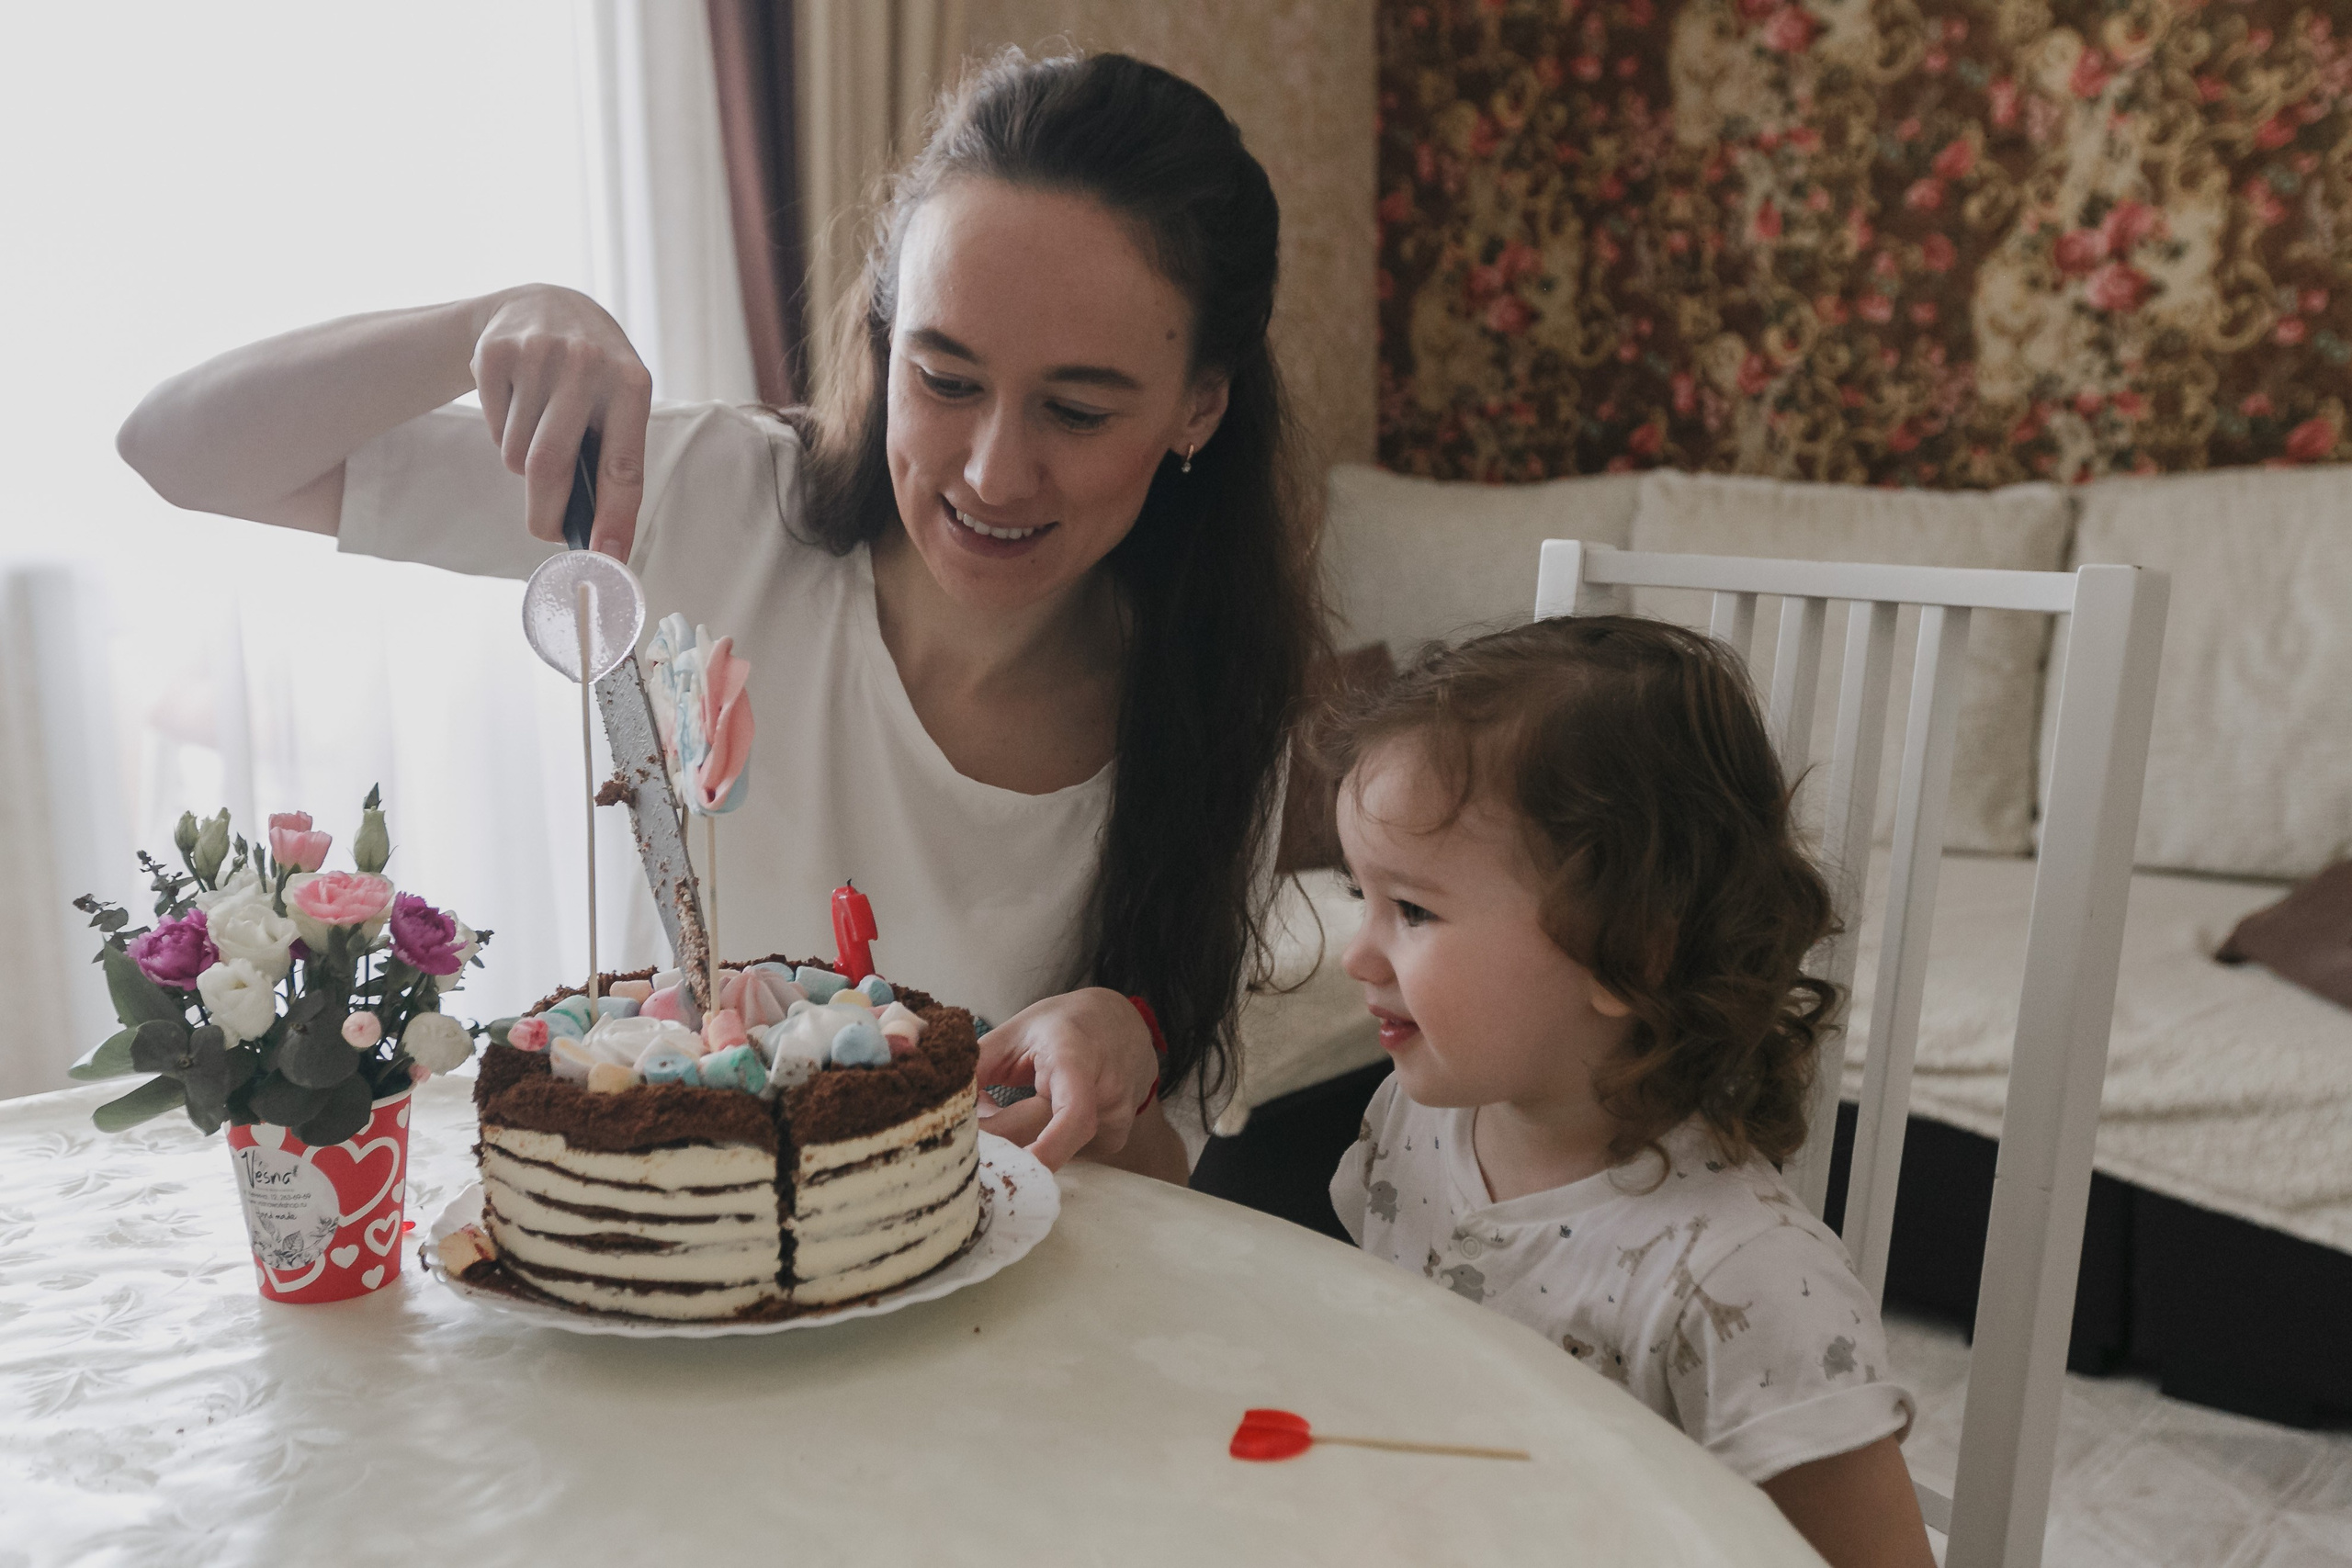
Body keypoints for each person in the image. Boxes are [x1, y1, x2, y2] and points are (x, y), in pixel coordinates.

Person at [115, 51, 1319, 1184]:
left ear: (1197, 408)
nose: (994, 473)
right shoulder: (700, 498)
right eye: (944, 379)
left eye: (1077, 408)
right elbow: (177, 449)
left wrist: (1119, 1058)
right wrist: (488, 316)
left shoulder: (1211, 695)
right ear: (882, 338)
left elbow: (1175, 1190)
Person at [1325, 615, 1935, 1568]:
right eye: (1354, 894)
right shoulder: (1413, 1123)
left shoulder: (1745, 1280)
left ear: (1627, 950)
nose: (1358, 951)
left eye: (1411, 909)